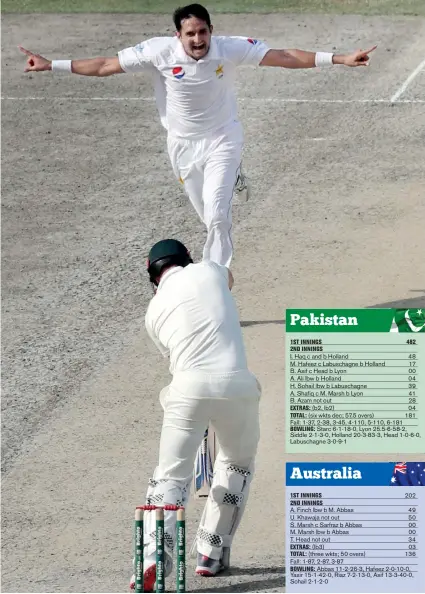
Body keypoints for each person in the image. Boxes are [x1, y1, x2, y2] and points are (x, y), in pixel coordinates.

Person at [19, 4, 376, 268]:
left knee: (219, 216)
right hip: (183, 146)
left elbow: (283, 56)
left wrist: (340, 58)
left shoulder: (229, 46)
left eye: (203, 32)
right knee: (208, 218)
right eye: (190, 34)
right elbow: (103, 66)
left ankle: (215, 282)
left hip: (223, 138)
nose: (198, 40)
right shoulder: (158, 51)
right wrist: (52, 64)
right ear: (178, 35)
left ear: (210, 30)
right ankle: (219, 261)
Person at [129, 238, 262, 590]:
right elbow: (228, 279)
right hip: (238, 386)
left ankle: (154, 557)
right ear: (186, 260)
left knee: (171, 475)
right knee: (236, 462)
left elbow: (173, 357)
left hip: (187, 390)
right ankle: (210, 552)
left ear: (154, 278)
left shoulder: (153, 313)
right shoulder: (209, 270)